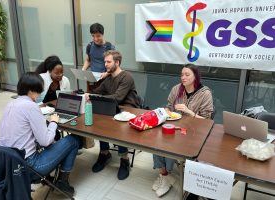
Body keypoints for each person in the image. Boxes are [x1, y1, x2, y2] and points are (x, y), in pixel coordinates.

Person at [0, 72, 80, 196]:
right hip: (29, 167)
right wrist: (53, 122)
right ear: (32, 91)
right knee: (73, 140)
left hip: (9, 165)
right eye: (39, 90)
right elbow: (45, 141)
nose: (40, 93)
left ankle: (55, 178)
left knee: (50, 140)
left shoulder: (11, 104)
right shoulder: (30, 106)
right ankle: (62, 182)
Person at [152, 64, 214, 197]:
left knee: (171, 143)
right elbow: (168, 106)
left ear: (195, 76)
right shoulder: (177, 89)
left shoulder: (205, 93)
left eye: (187, 74)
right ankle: (164, 174)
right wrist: (167, 111)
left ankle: (167, 174)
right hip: (176, 125)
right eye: (182, 75)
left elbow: (207, 121)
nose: (183, 77)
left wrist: (188, 111)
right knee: (156, 140)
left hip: (194, 132)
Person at [85, 50, 140, 180]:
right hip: (112, 105)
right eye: (105, 62)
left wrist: (94, 96)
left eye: (108, 62)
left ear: (117, 62)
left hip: (127, 108)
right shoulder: (108, 78)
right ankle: (104, 153)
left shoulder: (127, 77)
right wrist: (90, 92)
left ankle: (124, 159)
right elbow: (98, 92)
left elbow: (118, 98)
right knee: (99, 120)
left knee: (120, 124)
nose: (106, 64)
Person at [82, 23, 115, 90]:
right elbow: (88, 60)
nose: (95, 39)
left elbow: (114, 65)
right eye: (93, 36)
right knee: (90, 97)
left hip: (106, 80)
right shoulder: (90, 46)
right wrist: (83, 70)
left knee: (103, 99)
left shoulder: (110, 47)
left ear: (102, 34)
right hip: (92, 79)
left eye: (98, 36)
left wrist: (107, 73)